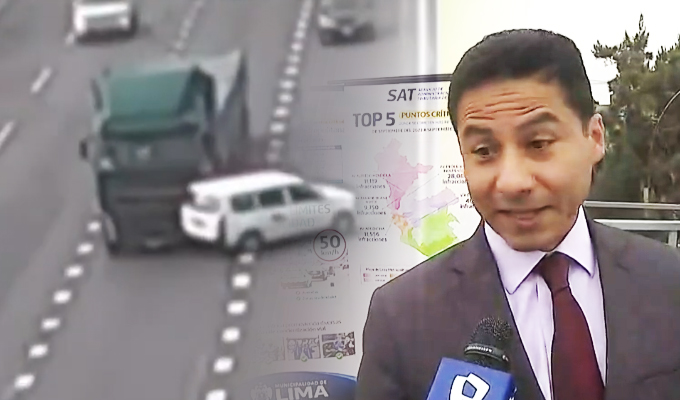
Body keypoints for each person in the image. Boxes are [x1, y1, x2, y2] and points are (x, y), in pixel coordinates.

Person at [355, 29, 680, 400]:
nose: (512, 182)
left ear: (594, 138)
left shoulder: (668, 280)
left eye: (538, 143)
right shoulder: (400, 318)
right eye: (484, 151)